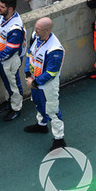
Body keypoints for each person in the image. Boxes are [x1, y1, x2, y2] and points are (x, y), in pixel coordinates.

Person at [24, 17, 66, 151]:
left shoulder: (55, 49)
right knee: (38, 103)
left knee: (52, 111)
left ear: (47, 31)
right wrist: (28, 74)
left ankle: (59, 140)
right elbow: (29, 55)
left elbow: (51, 73)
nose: (35, 30)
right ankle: (42, 125)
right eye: (35, 27)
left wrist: (35, 82)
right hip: (35, 81)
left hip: (47, 85)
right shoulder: (36, 36)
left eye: (38, 29)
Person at [0, 0, 26, 121]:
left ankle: (17, 108)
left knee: (13, 84)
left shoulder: (15, 28)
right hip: (2, 58)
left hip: (10, 60)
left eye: (2, 7)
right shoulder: (3, 17)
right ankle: (9, 101)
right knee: (7, 82)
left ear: (10, 9)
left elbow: (11, 49)